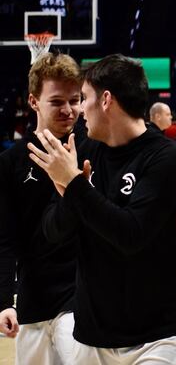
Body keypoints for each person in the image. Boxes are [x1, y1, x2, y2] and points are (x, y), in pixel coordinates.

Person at [28, 54, 176, 363]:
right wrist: (70, 192)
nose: (78, 110)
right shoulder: (83, 149)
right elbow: (52, 230)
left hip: (157, 336)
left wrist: (75, 184)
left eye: (84, 98)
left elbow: (131, 234)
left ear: (106, 100)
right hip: (92, 335)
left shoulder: (164, 157)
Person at [0, 52, 83, 364]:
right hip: (34, 300)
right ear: (33, 101)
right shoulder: (10, 163)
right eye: (57, 101)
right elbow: (5, 238)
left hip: (81, 297)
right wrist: (5, 301)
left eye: (75, 100)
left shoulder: (92, 150)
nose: (68, 110)